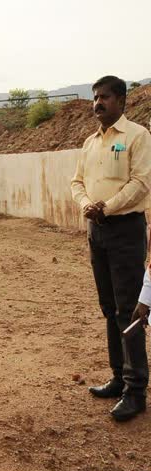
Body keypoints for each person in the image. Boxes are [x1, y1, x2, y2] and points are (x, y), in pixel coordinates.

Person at [71, 75, 151, 422]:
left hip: (126, 229)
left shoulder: (137, 136)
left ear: (122, 101)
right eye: (94, 97)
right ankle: (118, 378)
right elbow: (77, 182)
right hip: (97, 231)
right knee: (108, 308)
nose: (97, 103)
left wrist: (108, 205)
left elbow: (141, 182)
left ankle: (136, 392)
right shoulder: (91, 142)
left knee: (128, 312)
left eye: (104, 97)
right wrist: (88, 204)